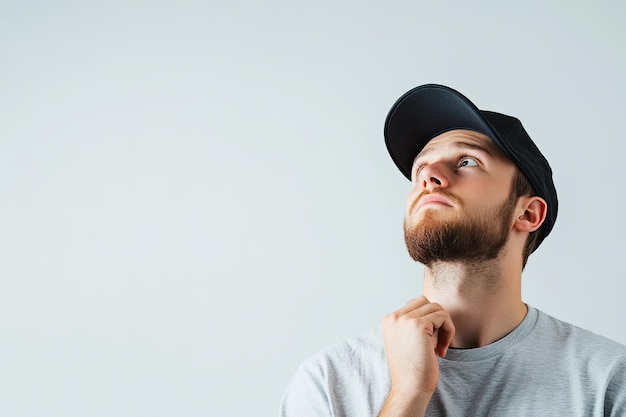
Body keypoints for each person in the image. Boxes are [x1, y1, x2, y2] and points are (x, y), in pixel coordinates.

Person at [279, 84, 626, 416]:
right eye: (420, 168)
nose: (429, 175)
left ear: (527, 213)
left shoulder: (607, 380)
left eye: (467, 162)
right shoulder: (329, 381)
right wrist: (407, 394)